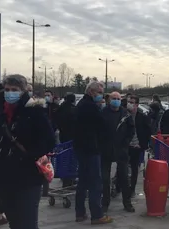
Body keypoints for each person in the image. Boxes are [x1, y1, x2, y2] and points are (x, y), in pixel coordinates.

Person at [0, 74, 56, 228]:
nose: (10, 93)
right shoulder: (0, 112)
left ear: (23, 91)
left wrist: (30, 156)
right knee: (14, 221)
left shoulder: (34, 112)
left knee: (27, 222)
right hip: (5, 177)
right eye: (7, 89)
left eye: (15, 90)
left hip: (28, 177)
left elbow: (50, 141)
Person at [73, 81, 113, 224]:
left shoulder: (81, 105)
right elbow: (102, 125)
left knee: (83, 181)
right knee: (96, 182)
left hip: (80, 148)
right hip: (91, 148)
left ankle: (80, 212)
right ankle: (97, 214)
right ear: (92, 92)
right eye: (100, 92)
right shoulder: (90, 107)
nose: (101, 96)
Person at [100, 92, 135, 213]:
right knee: (105, 179)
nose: (116, 101)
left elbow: (131, 129)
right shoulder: (103, 113)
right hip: (106, 150)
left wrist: (125, 142)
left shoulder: (125, 113)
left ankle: (127, 203)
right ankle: (105, 203)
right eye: (114, 99)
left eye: (118, 99)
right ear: (109, 100)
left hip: (121, 150)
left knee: (124, 177)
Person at [127, 95, 151, 197]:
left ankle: (132, 189)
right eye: (129, 102)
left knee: (134, 168)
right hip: (125, 146)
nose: (130, 104)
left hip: (136, 147)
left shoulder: (142, 117)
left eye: (132, 102)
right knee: (122, 168)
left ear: (137, 105)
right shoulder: (124, 115)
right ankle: (120, 187)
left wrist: (142, 145)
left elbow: (148, 132)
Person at [56, 93, 77, 188]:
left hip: (63, 136)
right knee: (71, 159)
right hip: (72, 137)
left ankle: (65, 179)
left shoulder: (61, 108)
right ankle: (69, 180)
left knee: (64, 158)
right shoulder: (73, 110)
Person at [42, 89, 59, 196]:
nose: (47, 97)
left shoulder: (55, 108)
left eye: (48, 95)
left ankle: (46, 186)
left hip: (53, 134)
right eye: (45, 95)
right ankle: (45, 188)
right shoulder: (42, 107)